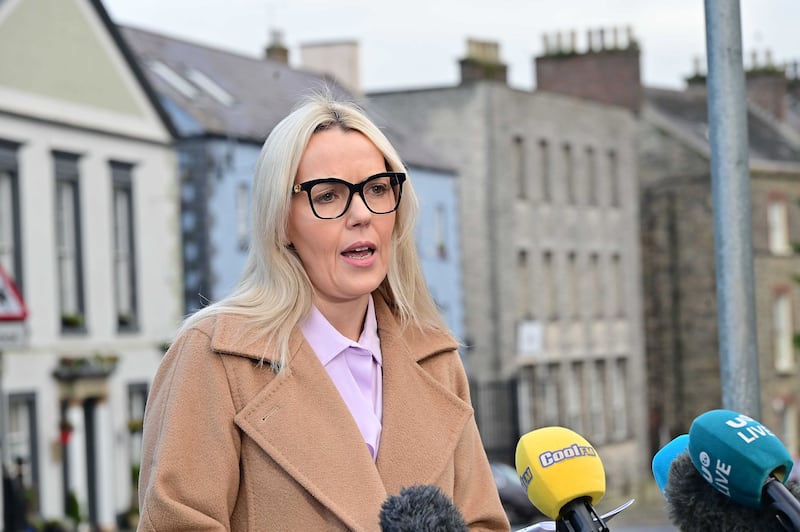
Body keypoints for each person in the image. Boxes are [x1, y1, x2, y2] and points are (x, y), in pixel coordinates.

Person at [136, 93, 510, 531]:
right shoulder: (215, 358)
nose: (361, 213)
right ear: (281, 221)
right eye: (329, 195)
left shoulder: (436, 359)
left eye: (376, 188)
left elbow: (484, 521)